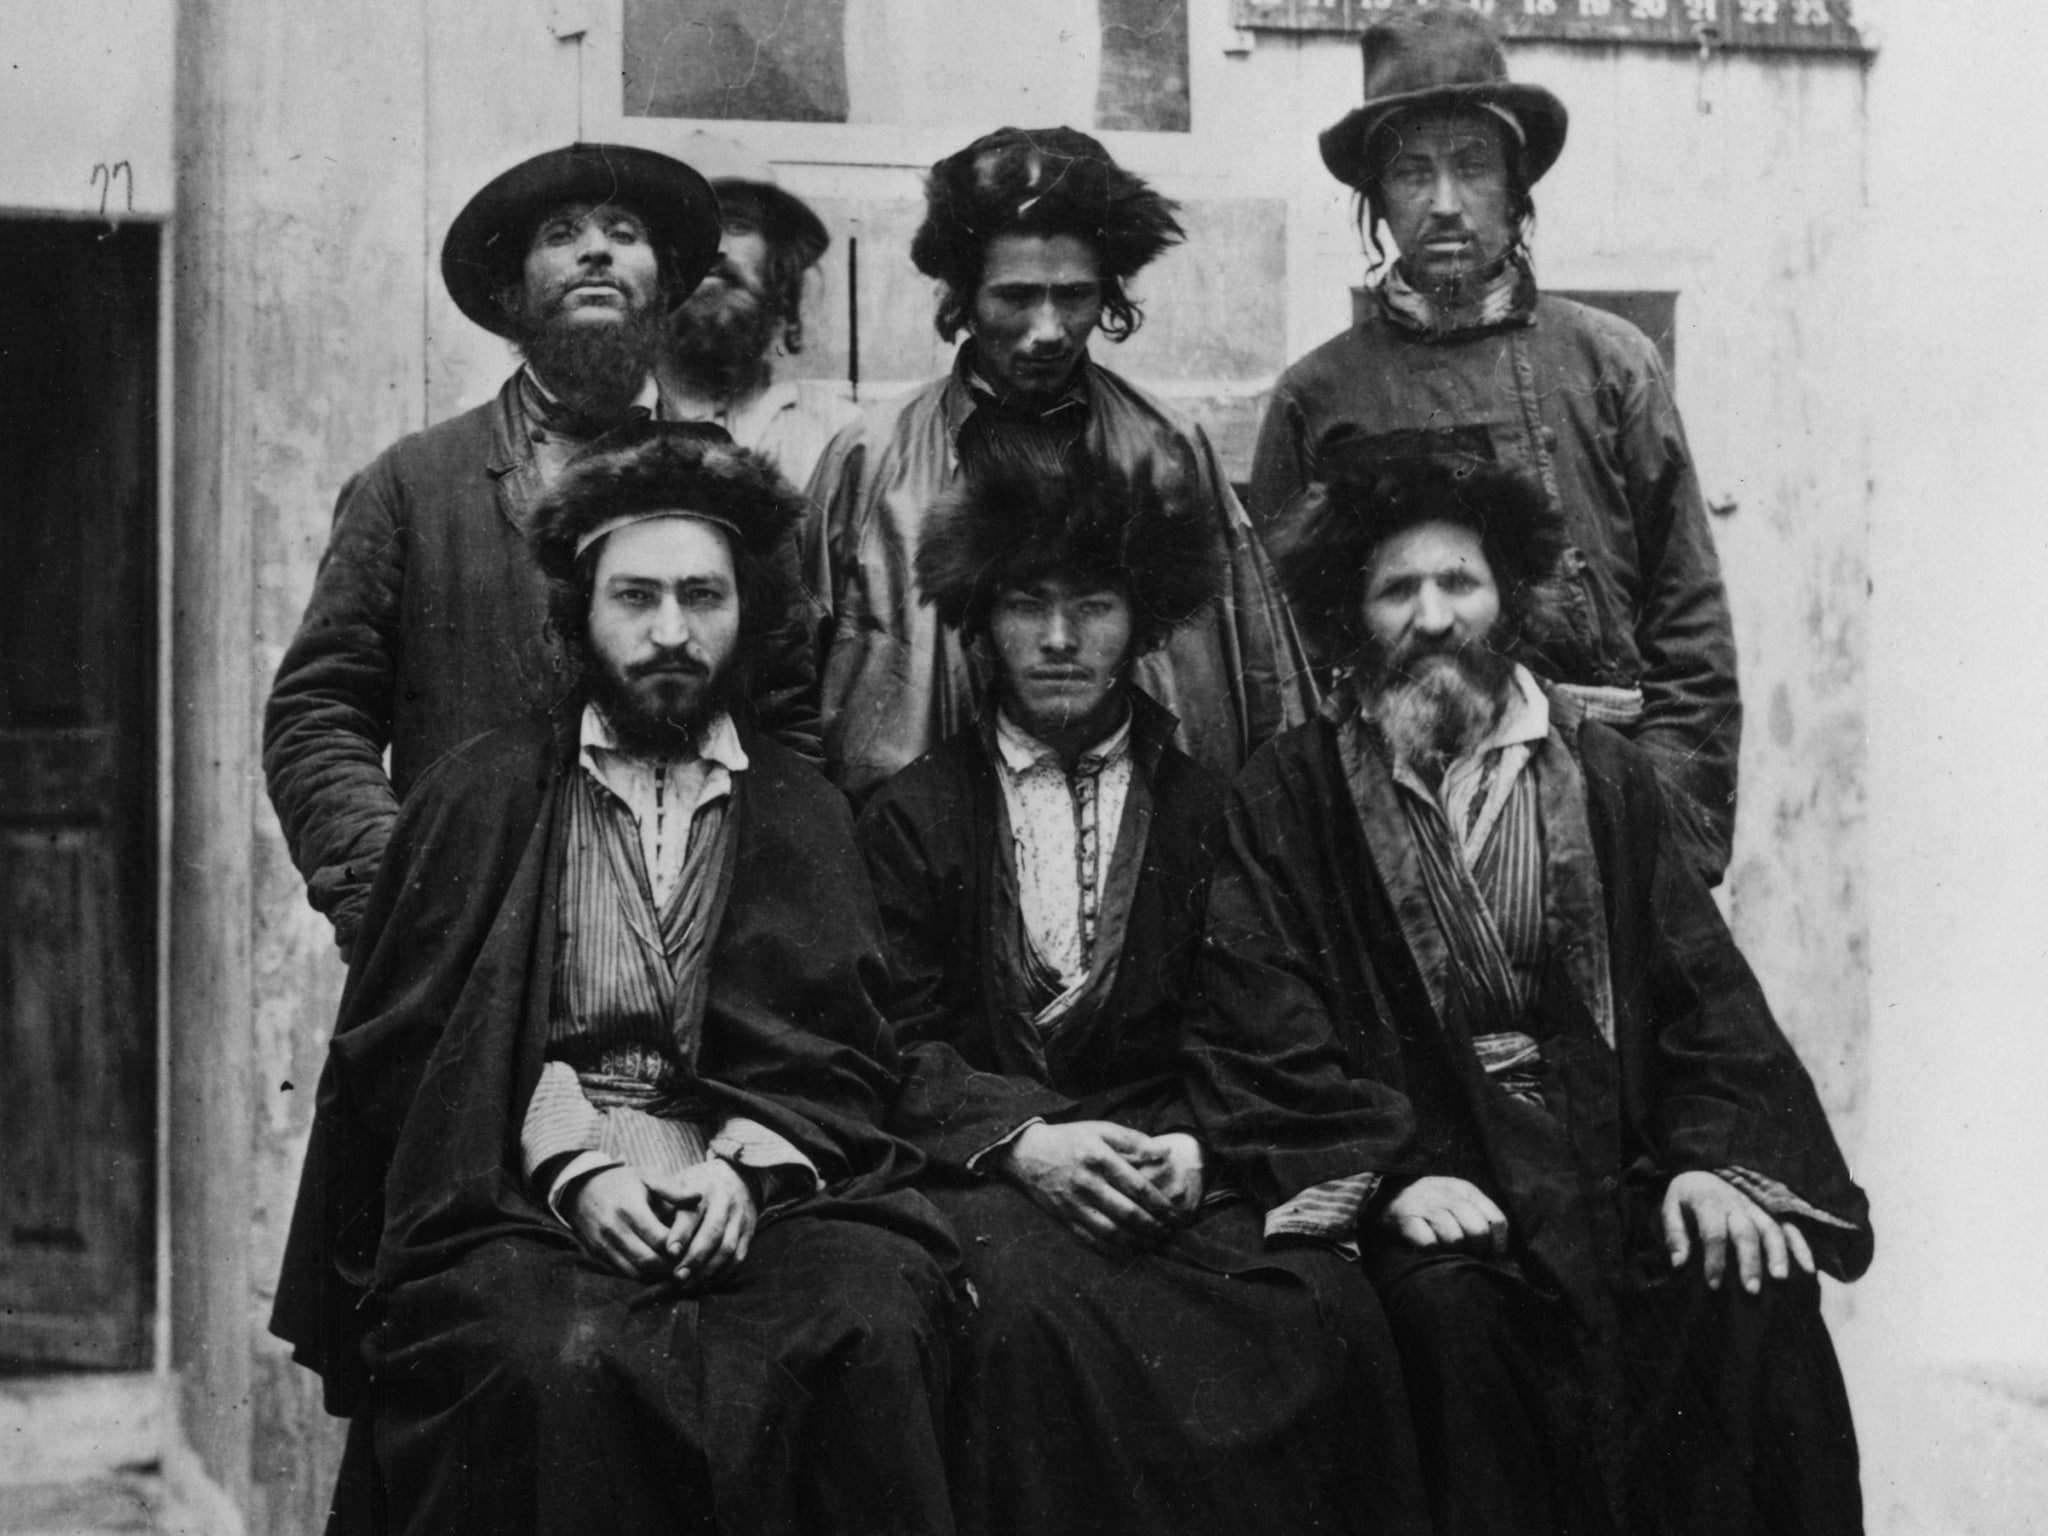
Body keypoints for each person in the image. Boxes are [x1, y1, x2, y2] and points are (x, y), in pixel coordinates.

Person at [270, 423, 960, 1536]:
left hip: (760, 1183)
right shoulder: (477, 798)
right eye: (634, 598)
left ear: (748, 616)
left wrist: (745, 1174)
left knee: (866, 1327)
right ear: (580, 614)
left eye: (702, 596)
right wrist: (579, 1171)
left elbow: (844, 1052)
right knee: (552, 1363)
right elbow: (423, 1060)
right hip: (515, 1189)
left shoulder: (805, 810)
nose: (671, 632)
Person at [1190, 454, 1870, 1536]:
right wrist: (1384, 1180)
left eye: (1456, 583)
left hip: (1612, 1161)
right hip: (1436, 1166)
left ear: (1503, 594)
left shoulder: (1601, 772)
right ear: (1350, 615)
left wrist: (1708, 1164)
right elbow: (1260, 1014)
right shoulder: (1294, 788)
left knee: (1745, 1281)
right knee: (1446, 1316)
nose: (1430, 617)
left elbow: (1700, 997)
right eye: (1394, 590)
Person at [856, 452, 1428, 1536]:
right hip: (994, 1178)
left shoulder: (1216, 811)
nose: (1061, 640)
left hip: (1178, 1161)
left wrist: (1200, 1153)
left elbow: (1261, 1023)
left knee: (1323, 1310)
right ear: (980, 624)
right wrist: (1023, 1141)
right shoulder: (912, 817)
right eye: (1027, 604)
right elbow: (885, 1039)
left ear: (1146, 622)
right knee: (1023, 1322)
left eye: (1094, 605)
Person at [265, 142, 821, 959]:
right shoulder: (415, 484)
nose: (596, 249)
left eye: (624, 231)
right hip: (470, 954)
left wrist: (757, 923)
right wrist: (398, 896)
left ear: (666, 285)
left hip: (691, 958)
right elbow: (318, 716)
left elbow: (789, 725)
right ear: (509, 292)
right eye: (561, 234)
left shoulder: (733, 492)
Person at [1249, 10, 1741, 883]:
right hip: (1392, 834)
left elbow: (1688, 625)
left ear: (1515, 187)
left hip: (1603, 810)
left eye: (1473, 166)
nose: (1444, 203)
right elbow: (1280, 655)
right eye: (1412, 171)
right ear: (1377, 196)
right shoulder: (1316, 398)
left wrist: (1666, 846)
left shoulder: (1610, 364)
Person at [806, 124, 1315, 801]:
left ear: (1106, 294)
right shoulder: (868, 462)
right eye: (1015, 296)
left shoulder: (1169, 449)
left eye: (1073, 296)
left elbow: (1264, 679)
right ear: (964, 296)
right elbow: (793, 689)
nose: (1047, 330)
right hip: (920, 865)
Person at [657, 135, 859, 489]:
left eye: (736, 224)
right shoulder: (604, 426)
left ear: (777, 263)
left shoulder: (844, 438)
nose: (714, 248)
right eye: (688, 223)